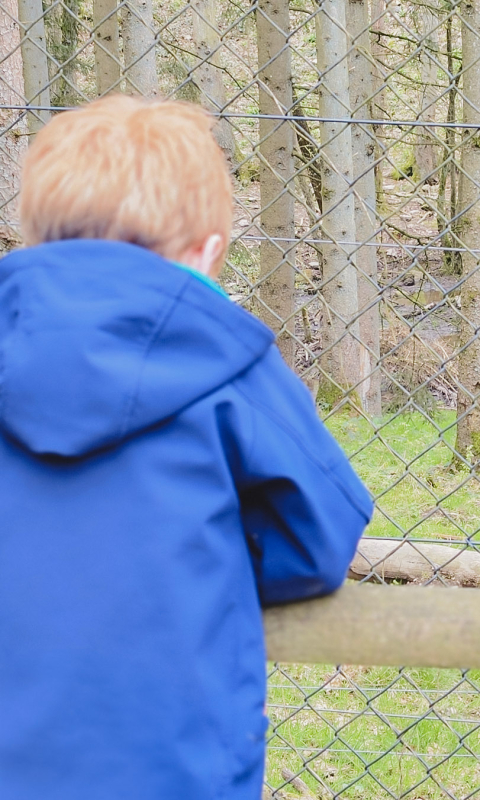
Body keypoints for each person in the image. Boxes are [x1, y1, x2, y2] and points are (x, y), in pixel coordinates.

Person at [0, 95, 372, 800]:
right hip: (173, 760)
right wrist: (205, 570)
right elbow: (320, 535)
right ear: (206, 251)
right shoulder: (233, 368)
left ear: (35, 238)